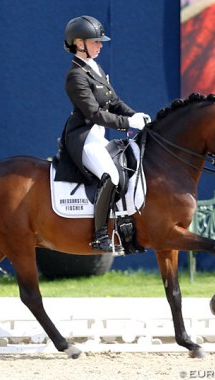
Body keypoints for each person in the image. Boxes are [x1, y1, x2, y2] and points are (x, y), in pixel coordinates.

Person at [55, 15, 151, 252]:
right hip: (83, 137)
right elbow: (94, 113)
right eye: (95, 42)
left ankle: (124, 228)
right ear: (79, 44)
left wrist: (137, 115)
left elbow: (114, 101)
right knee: (111, 175)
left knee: (127, 168)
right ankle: (99, 236)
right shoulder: (75, 76)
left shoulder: (95, 68)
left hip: (99, 136)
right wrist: (127, 122)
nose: (100, 45)